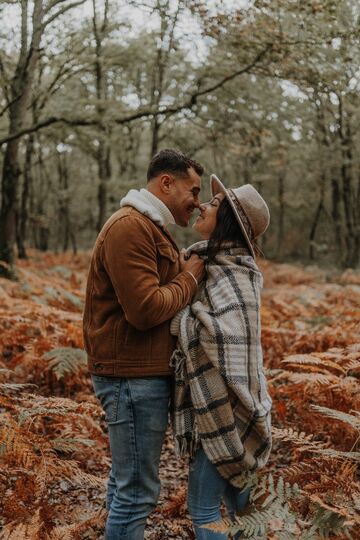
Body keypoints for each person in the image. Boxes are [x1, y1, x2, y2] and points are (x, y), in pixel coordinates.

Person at [83, 148, 206, 540]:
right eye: (194, 190)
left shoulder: (150, 227)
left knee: (127, 487)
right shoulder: (129, 227)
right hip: (130, 380)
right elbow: (145, 309)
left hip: (139, 377)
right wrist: (189, 279)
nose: (198, 203)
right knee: (136, 495)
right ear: (166, 183)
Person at [170, 174, 272, 540]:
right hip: (226, 410)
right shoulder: (212, 264)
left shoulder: (235, 273)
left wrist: (181, 317)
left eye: (212, 205)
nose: (201, 204)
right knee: (244, 508)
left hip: (228, 414)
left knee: (205, 509)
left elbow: (226, 338)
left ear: (227, 220)